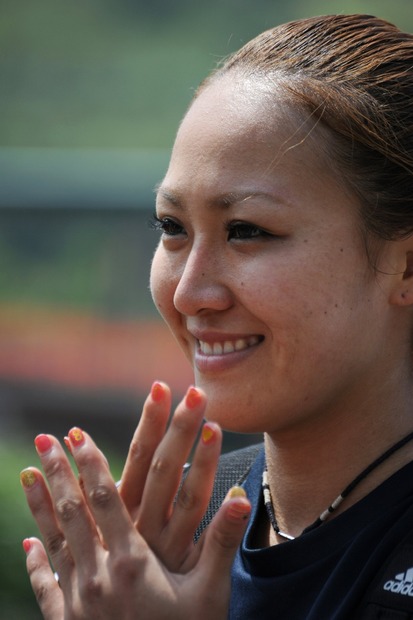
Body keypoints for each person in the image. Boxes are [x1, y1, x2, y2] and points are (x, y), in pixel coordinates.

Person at [19, 12, 413, 619]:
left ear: (406, 266)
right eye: (172, 228)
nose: (190, 293)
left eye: (247, 231)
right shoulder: (167, 536)